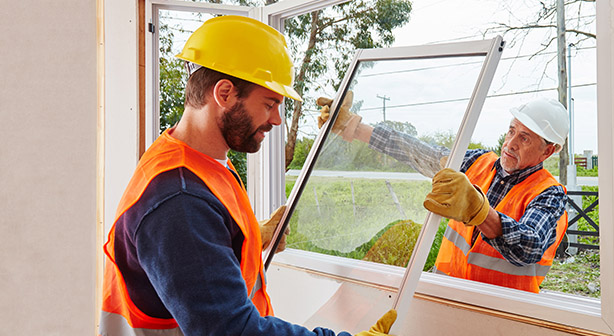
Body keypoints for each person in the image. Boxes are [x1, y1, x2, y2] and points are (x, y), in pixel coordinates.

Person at [100, 16, 395, 335]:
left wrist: (247, 235)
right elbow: (233, 330)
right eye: (270, 104)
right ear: (224, 94)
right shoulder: (179, 198)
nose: (277, 120)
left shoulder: (195, 162)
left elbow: (194, 250)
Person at [317, 93, 570, 293]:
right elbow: (417, 152)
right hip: (446, 296)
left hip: (500, 315)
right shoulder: (476, 163)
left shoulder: (549, 194)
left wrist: (479, 212)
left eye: (525, 139)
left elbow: (529, 246)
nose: (511, 143)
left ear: (548, 151)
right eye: (511, 131)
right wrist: (354, 128)